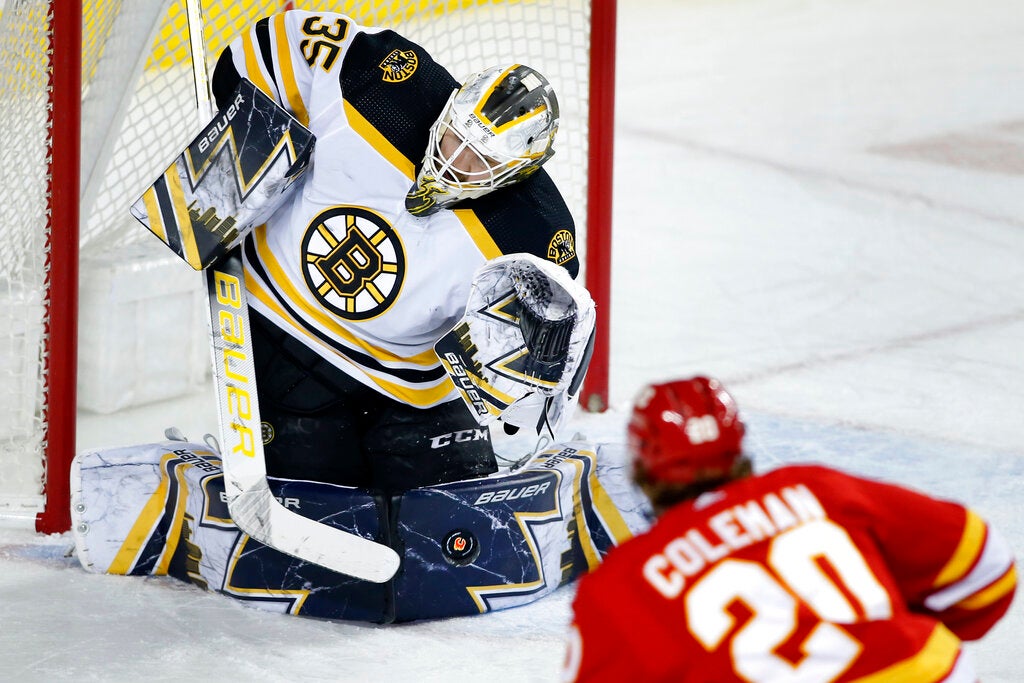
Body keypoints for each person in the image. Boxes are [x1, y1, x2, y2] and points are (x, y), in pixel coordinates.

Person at [207, 9, 583, 493]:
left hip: (411, 388)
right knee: (312, 494)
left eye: (482, 160)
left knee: (451, 512)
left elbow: (522, 380)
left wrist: (508, 386)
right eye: (455, 136)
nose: (455, 160)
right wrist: (237, 141)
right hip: (277, 323)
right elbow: (274, 43)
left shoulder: (535, 235)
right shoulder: (382, 80)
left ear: (518, 169)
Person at [563, 377, 1017, 682]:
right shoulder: (814, 490)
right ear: (740, 447)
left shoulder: (618, 585)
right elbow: (989, 569)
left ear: (641, 471)